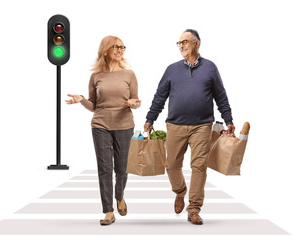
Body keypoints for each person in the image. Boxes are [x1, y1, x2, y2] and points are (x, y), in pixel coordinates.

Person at [144, 29, 235, 225]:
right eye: (179, 43)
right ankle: (180, 191)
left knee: (199, 166)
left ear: (197, 43)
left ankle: (193, 208)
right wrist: (150, 118)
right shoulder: (171, 69)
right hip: (175, 125)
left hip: (202, 125)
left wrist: (228, 120)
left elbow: (221, 96)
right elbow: (160, 96)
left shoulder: (210, 68)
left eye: (185, 41)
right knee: (171, 165)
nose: (182, 45)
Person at [66, 36, 141, 226]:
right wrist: (81, 99)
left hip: (124, 125)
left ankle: (120, 197)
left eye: (122, 47)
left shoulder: (129, 74)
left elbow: (136, 101)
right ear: (105, 49)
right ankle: (108, 210)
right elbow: (93, 106)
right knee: (105, 169)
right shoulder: (96, 76)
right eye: (116, 47)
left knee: (122, 169)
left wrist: (134, 103)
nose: (120, 50)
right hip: (100, 126)